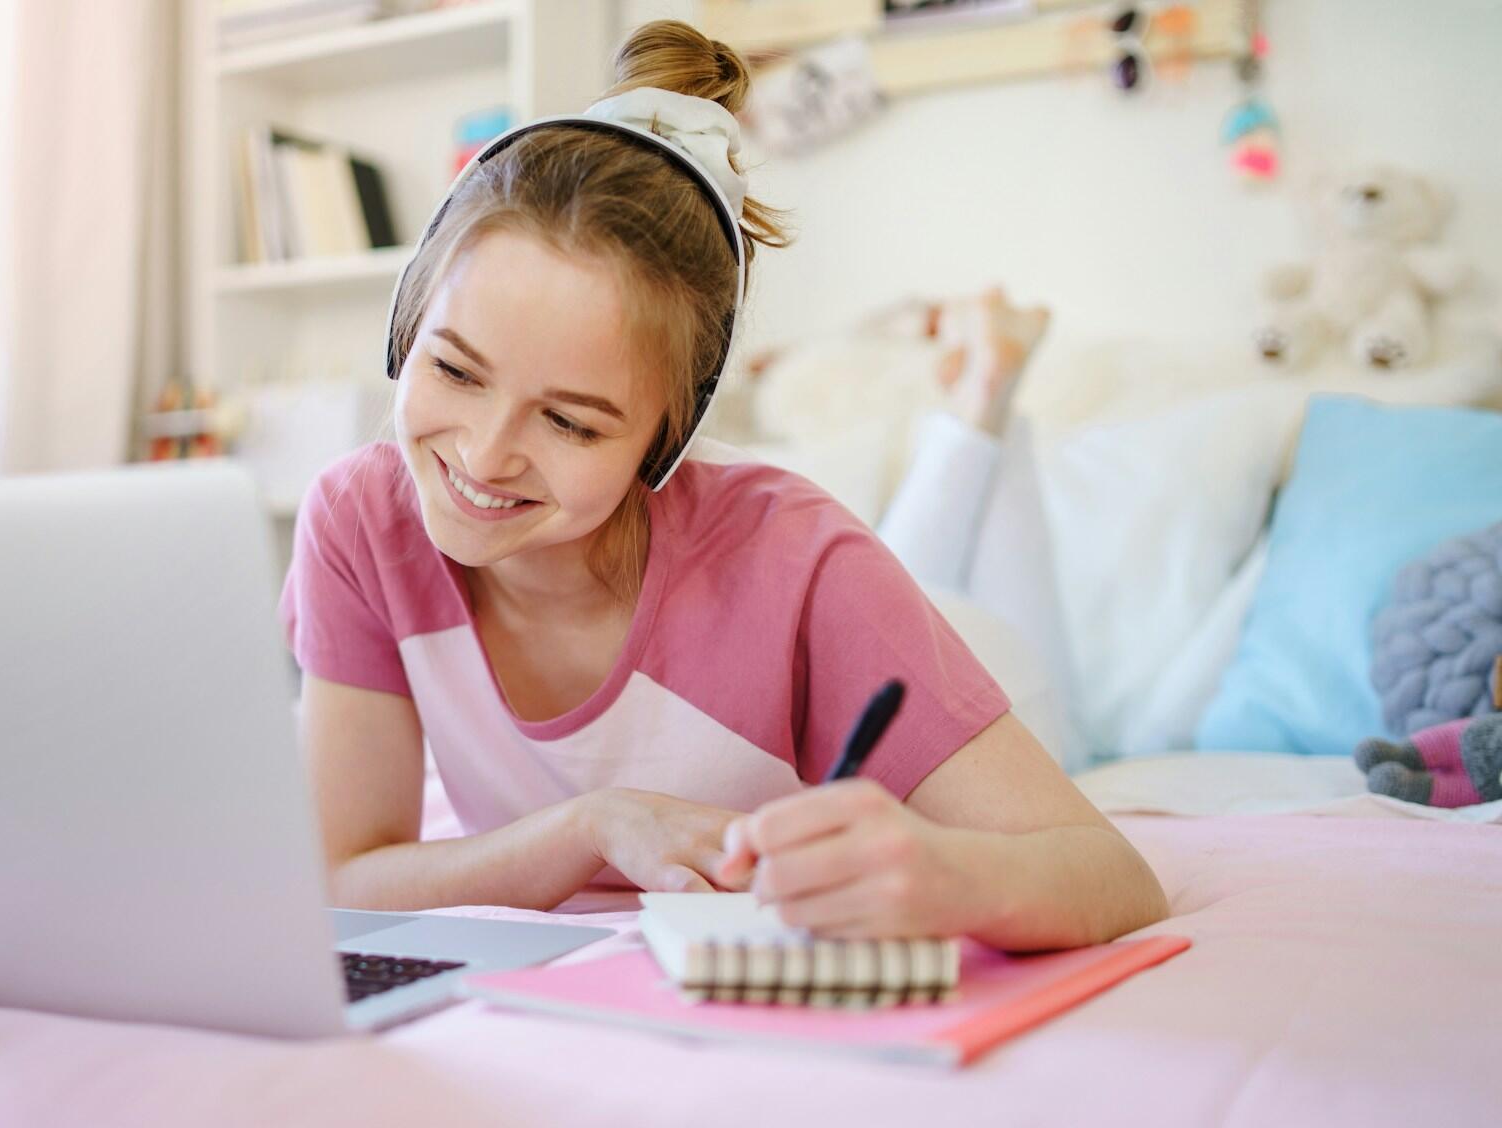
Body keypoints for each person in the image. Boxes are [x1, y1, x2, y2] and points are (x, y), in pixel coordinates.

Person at [280, 20, 1167, 951]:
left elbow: (1114, 877)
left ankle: (988, 400)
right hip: (845, 613)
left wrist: (939, 870)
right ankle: (983, 397)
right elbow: (344, 872)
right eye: (456, 371)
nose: (486, 455)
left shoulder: (798, 558)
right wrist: (591, 828)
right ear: (405, 326)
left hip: (974, 657)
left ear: (668, 439)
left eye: (570, 422)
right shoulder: (359, 519)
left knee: (970, 607)